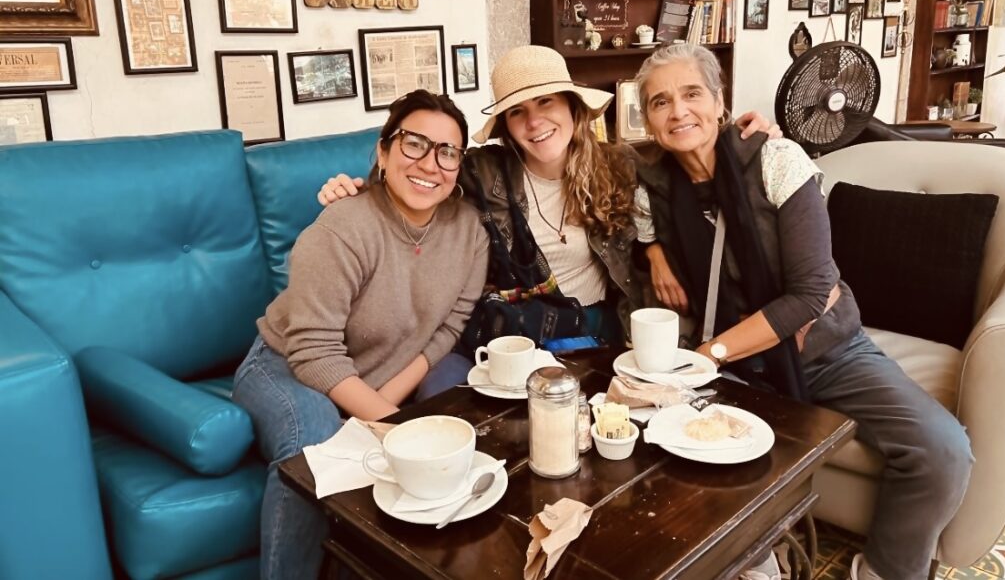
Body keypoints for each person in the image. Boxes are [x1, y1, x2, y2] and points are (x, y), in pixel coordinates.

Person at [633, 43, 973, 580]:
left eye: (691, 93)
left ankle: (883, 569)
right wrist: (653, 255)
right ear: (648, 121)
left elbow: (814, 291)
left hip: (824, 349)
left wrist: (709, 353)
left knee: (944, 449)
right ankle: (761, 555)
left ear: (721, 102)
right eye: (659, 102)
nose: (678, 112)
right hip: (743, 372)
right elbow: (639, 234)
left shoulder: (775, 158)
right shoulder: (651, 187)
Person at [317, 45, 778, 360]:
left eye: (546, 103)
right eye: (518, 111)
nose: (534, 122)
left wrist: (745, 136)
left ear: (573, 108)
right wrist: (361, 189)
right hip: (523, 335)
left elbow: (688, 147)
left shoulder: (620, 164)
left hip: (605, 331)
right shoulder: (484, 173)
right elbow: (420, 174)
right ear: (506, 126)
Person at [233, 90, 489, 580]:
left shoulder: (470, 233)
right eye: (414, 144)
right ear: (383, 151)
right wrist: (393, 422)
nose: (429, 164)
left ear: (459, 166)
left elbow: (450, 328)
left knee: (455, 417)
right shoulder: (342, 227)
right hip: (286, 364)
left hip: (380, 372)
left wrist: (380, 409)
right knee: (315, 446)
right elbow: (312, 351)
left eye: (447, 152)